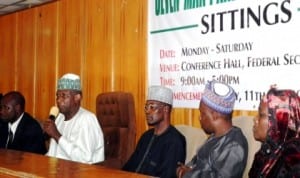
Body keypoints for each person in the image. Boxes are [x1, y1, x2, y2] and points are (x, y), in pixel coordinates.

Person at [177, 80, 248, 178]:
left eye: (202, 113)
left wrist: (187, 174)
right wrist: (183, 169)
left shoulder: (234, 146)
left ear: (214, 115)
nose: (200, 118)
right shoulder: (213, 137)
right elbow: (194, 165)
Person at [122, 85, 186, 178]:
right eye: (146, 107)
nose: (147, 111)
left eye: (152, 107)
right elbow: (129, 167)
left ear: (166, 109)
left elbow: (167, 175)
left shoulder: (175, 141)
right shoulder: (146, 136)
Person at [44, 73, 104, 164]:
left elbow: (85, 159)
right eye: (57, 96)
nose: (59, 100)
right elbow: (53, 154)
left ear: (77, 97)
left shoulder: (87, 119)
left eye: (64, 96)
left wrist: (57, 135)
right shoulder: (59, 117)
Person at [249, 86, 300, 177]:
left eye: (261, 115)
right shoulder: (267, 151)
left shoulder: (294, 162)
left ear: (279, 121)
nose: (255, 119)